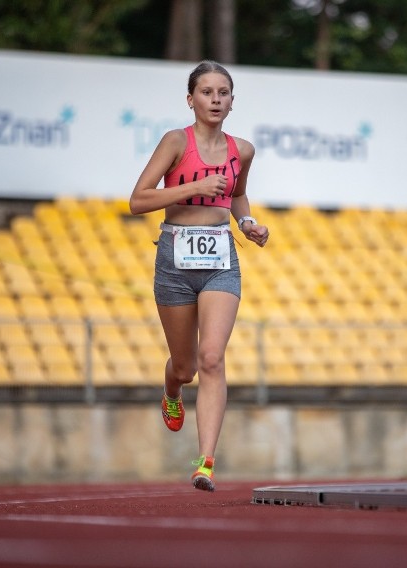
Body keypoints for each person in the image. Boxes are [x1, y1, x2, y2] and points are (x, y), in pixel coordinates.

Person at [129, 60, 269, 492]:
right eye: (206, 92)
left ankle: (205, 461)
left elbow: (238, 195)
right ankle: (172, 387)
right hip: (174, 255)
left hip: (220, 258)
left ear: (232, 101)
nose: (215, 99)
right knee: (187, 367)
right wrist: (192, 188)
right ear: (191, 100)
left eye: (223, 92)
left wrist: (248, 225)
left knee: (212, 357)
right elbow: (138, 200)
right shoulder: (175, 141)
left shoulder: (240, 150)